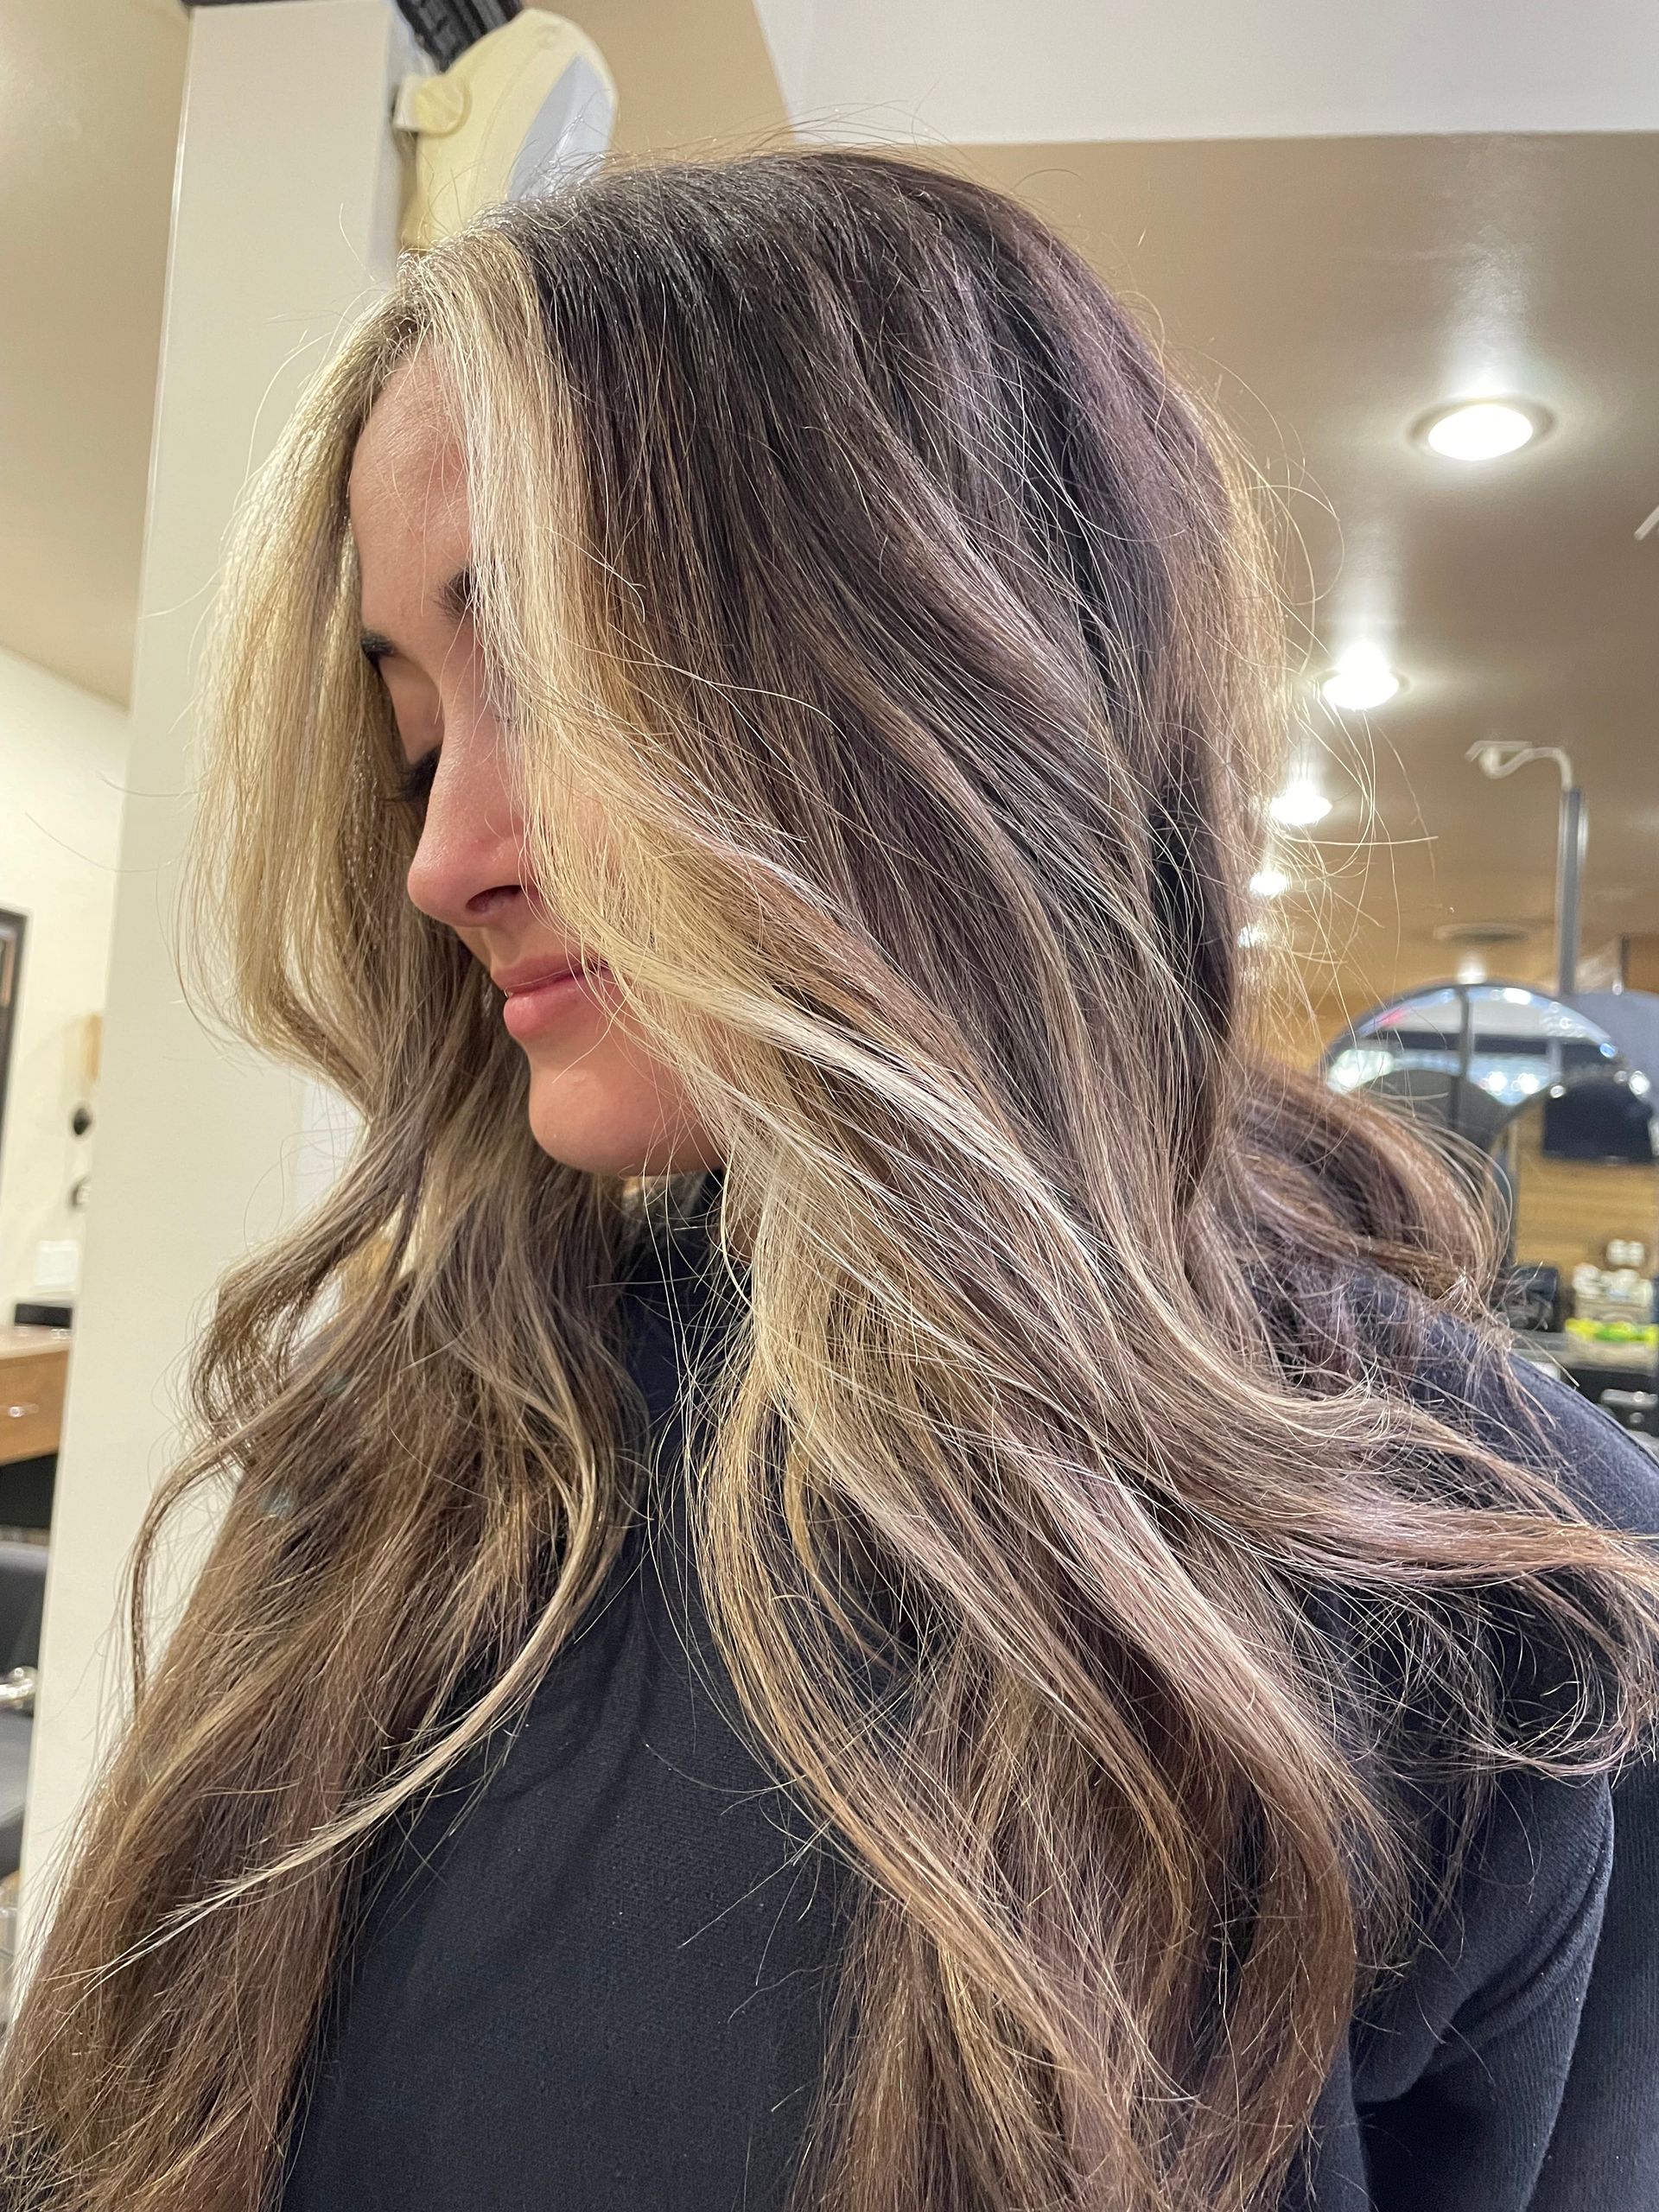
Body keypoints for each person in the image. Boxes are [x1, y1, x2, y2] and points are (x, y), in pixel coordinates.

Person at [2, 149, 1656, 2212]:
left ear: (943, 661)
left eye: (552, 670)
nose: (444, 856)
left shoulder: (1496, 1588)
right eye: (415, 730)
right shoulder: (419, 1450)